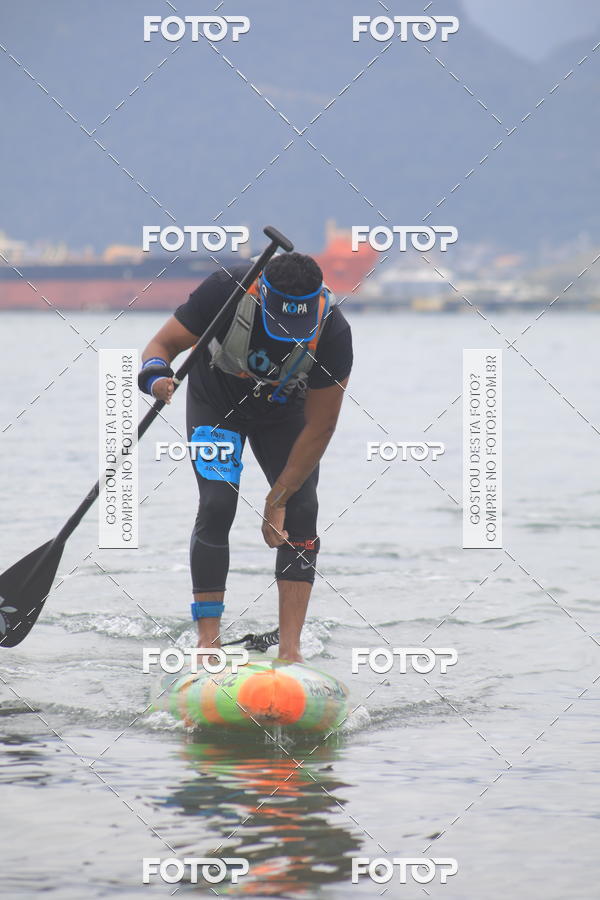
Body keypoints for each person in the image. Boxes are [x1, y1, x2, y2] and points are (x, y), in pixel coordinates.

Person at [138, 251, 353, 662]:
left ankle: (290, 651)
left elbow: (321, 426)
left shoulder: (334, 331)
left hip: (283, 410)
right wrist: (155, 378)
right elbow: (162, 345)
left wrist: (277, 499)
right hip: (215, 400)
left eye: (299, 323)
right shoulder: (226, 289)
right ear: (261, 295)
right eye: (281, 322)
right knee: (219, 503)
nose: (290, 333)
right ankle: (208, 643)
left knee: (301, 509)